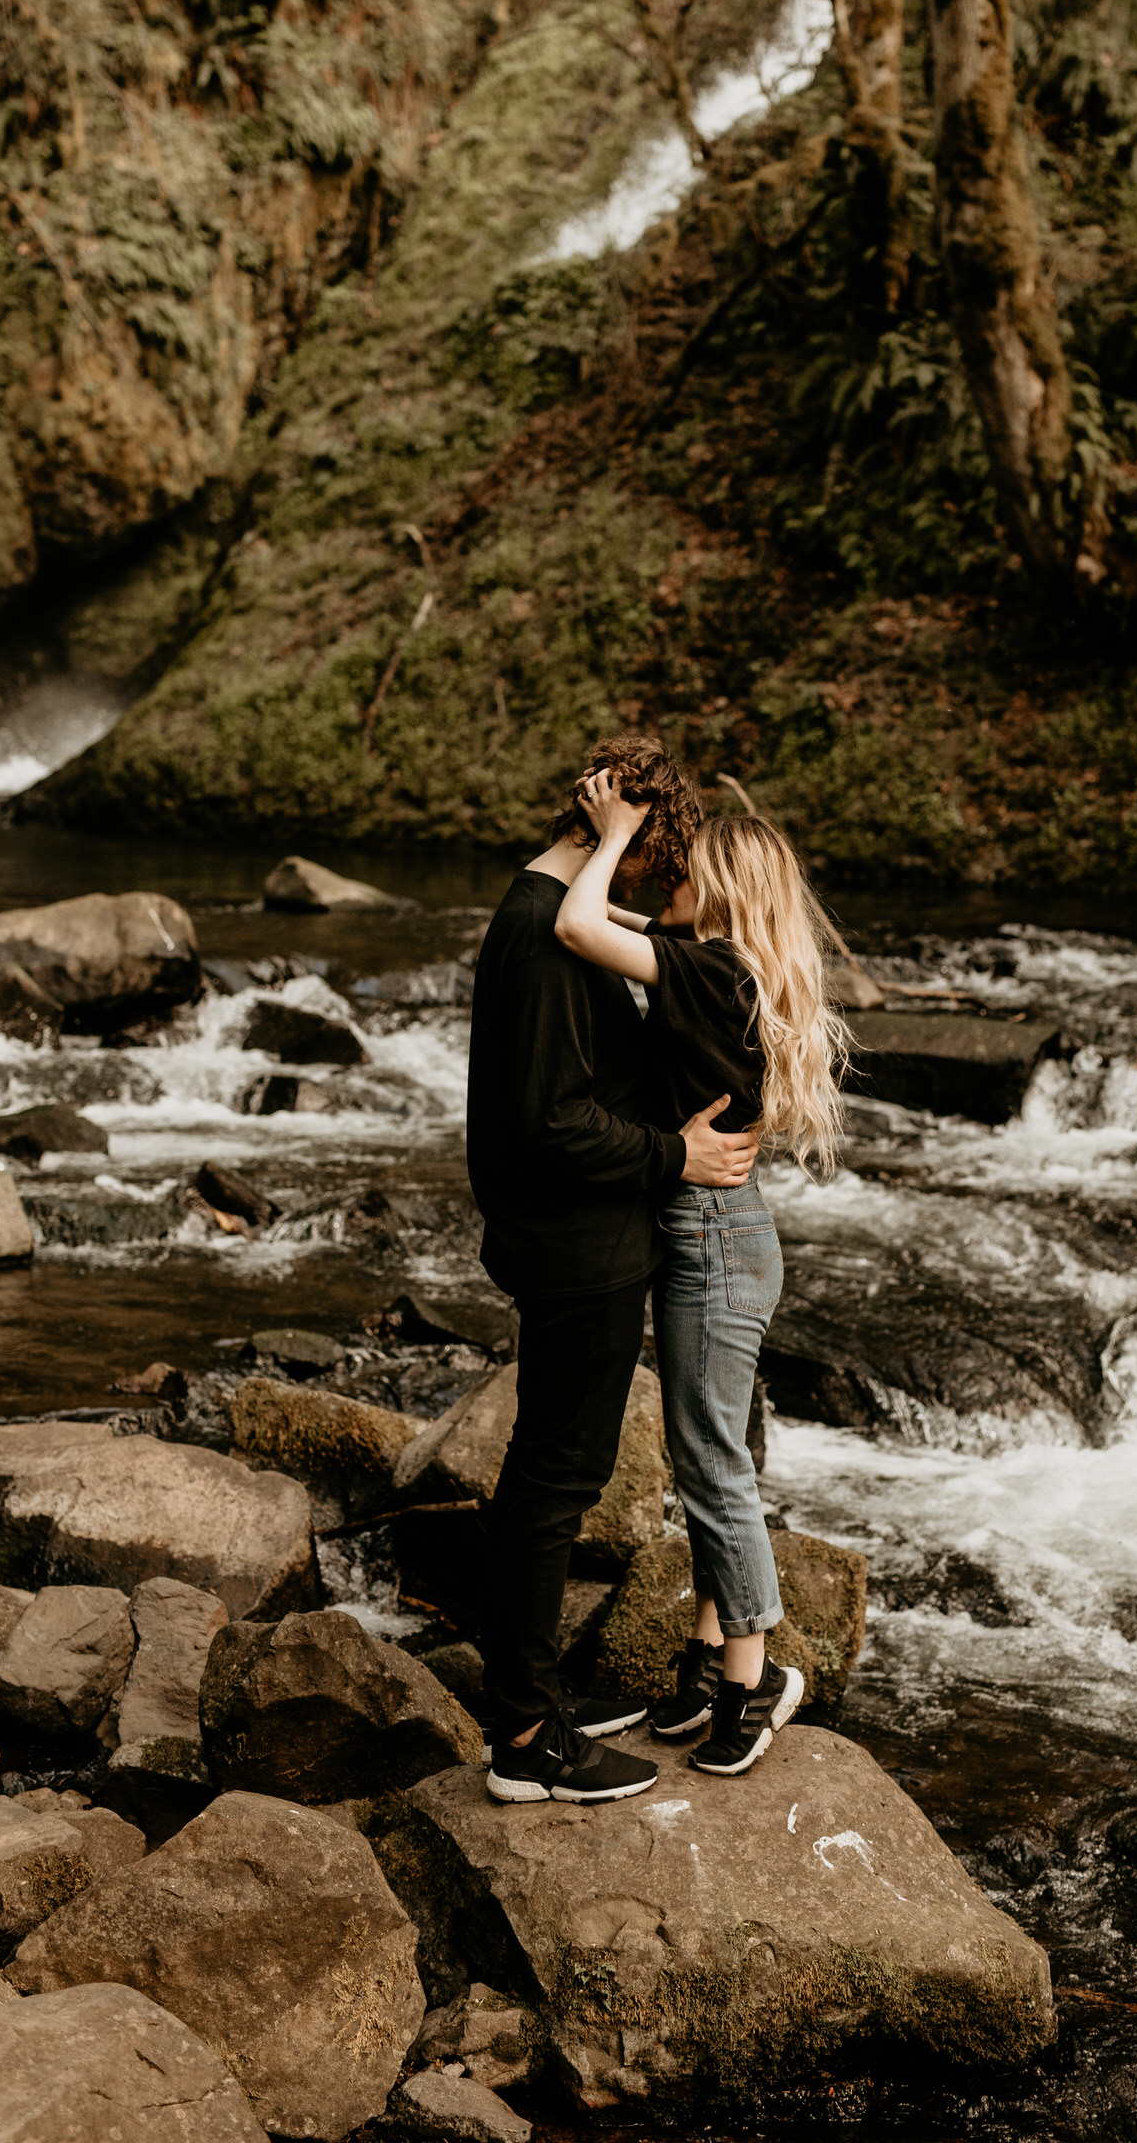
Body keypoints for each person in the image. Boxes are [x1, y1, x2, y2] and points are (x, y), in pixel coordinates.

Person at [469, 737, 760, 1806]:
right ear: (623, 841)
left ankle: (531, 1692)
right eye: (653, 855)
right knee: (553, 1483)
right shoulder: (543, 943)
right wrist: (677, 1155)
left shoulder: (542, 914)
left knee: (552, 1474)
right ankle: (529, 1740)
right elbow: (550, 1124)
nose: (653, 878)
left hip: (571, 1240)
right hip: (577, 1248)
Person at [556, 771, 848, 1777]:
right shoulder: (714, 965)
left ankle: (756, 1677)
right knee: (705, 1452)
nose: (663, 875)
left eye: (682, 869)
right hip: (717, 1234)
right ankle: (705, 1659)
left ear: (720, 889)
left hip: (716, 1242)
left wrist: (613, 831)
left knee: (712, 1462)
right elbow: (625, 924)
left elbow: (579, 926)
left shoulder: (710, 972)